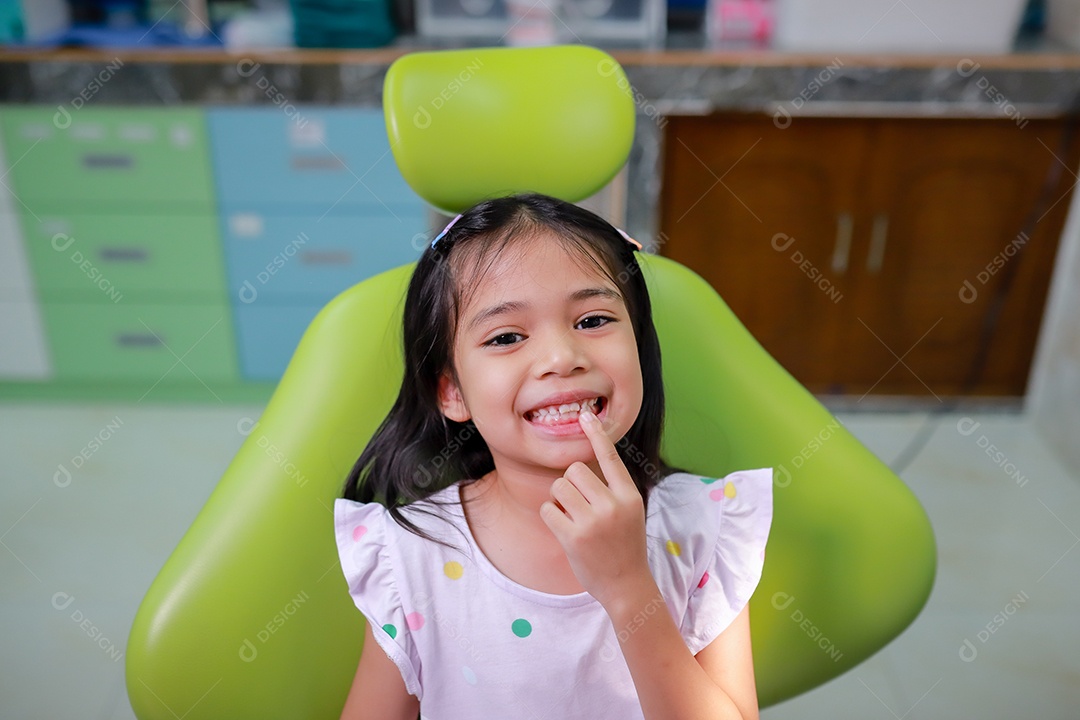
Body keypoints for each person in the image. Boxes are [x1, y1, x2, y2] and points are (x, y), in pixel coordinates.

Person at [334, 193, 773, 720]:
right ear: (451, 392)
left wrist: (629, 587)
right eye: (506, 336)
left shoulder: (704, 528)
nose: (562, 358)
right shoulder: (410, 553)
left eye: (591, 321)